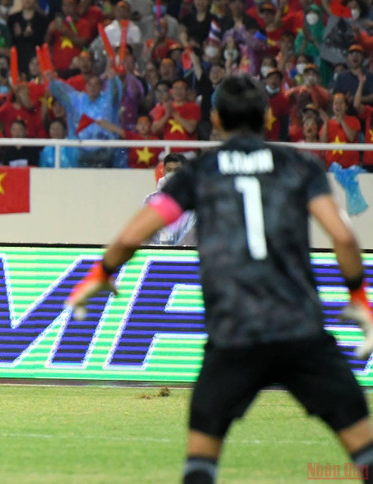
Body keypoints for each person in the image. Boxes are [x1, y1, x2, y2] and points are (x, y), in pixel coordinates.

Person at [67, 75, 373, 484]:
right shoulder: (299, 166)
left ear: (215, 119)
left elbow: (130, 237)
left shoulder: (199, 173)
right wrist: (359, 297)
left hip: (233, 335)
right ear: (267, 117)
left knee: (200, 464)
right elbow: (343, 237)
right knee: (364, 452)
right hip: (300, 329)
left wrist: (100, 274)